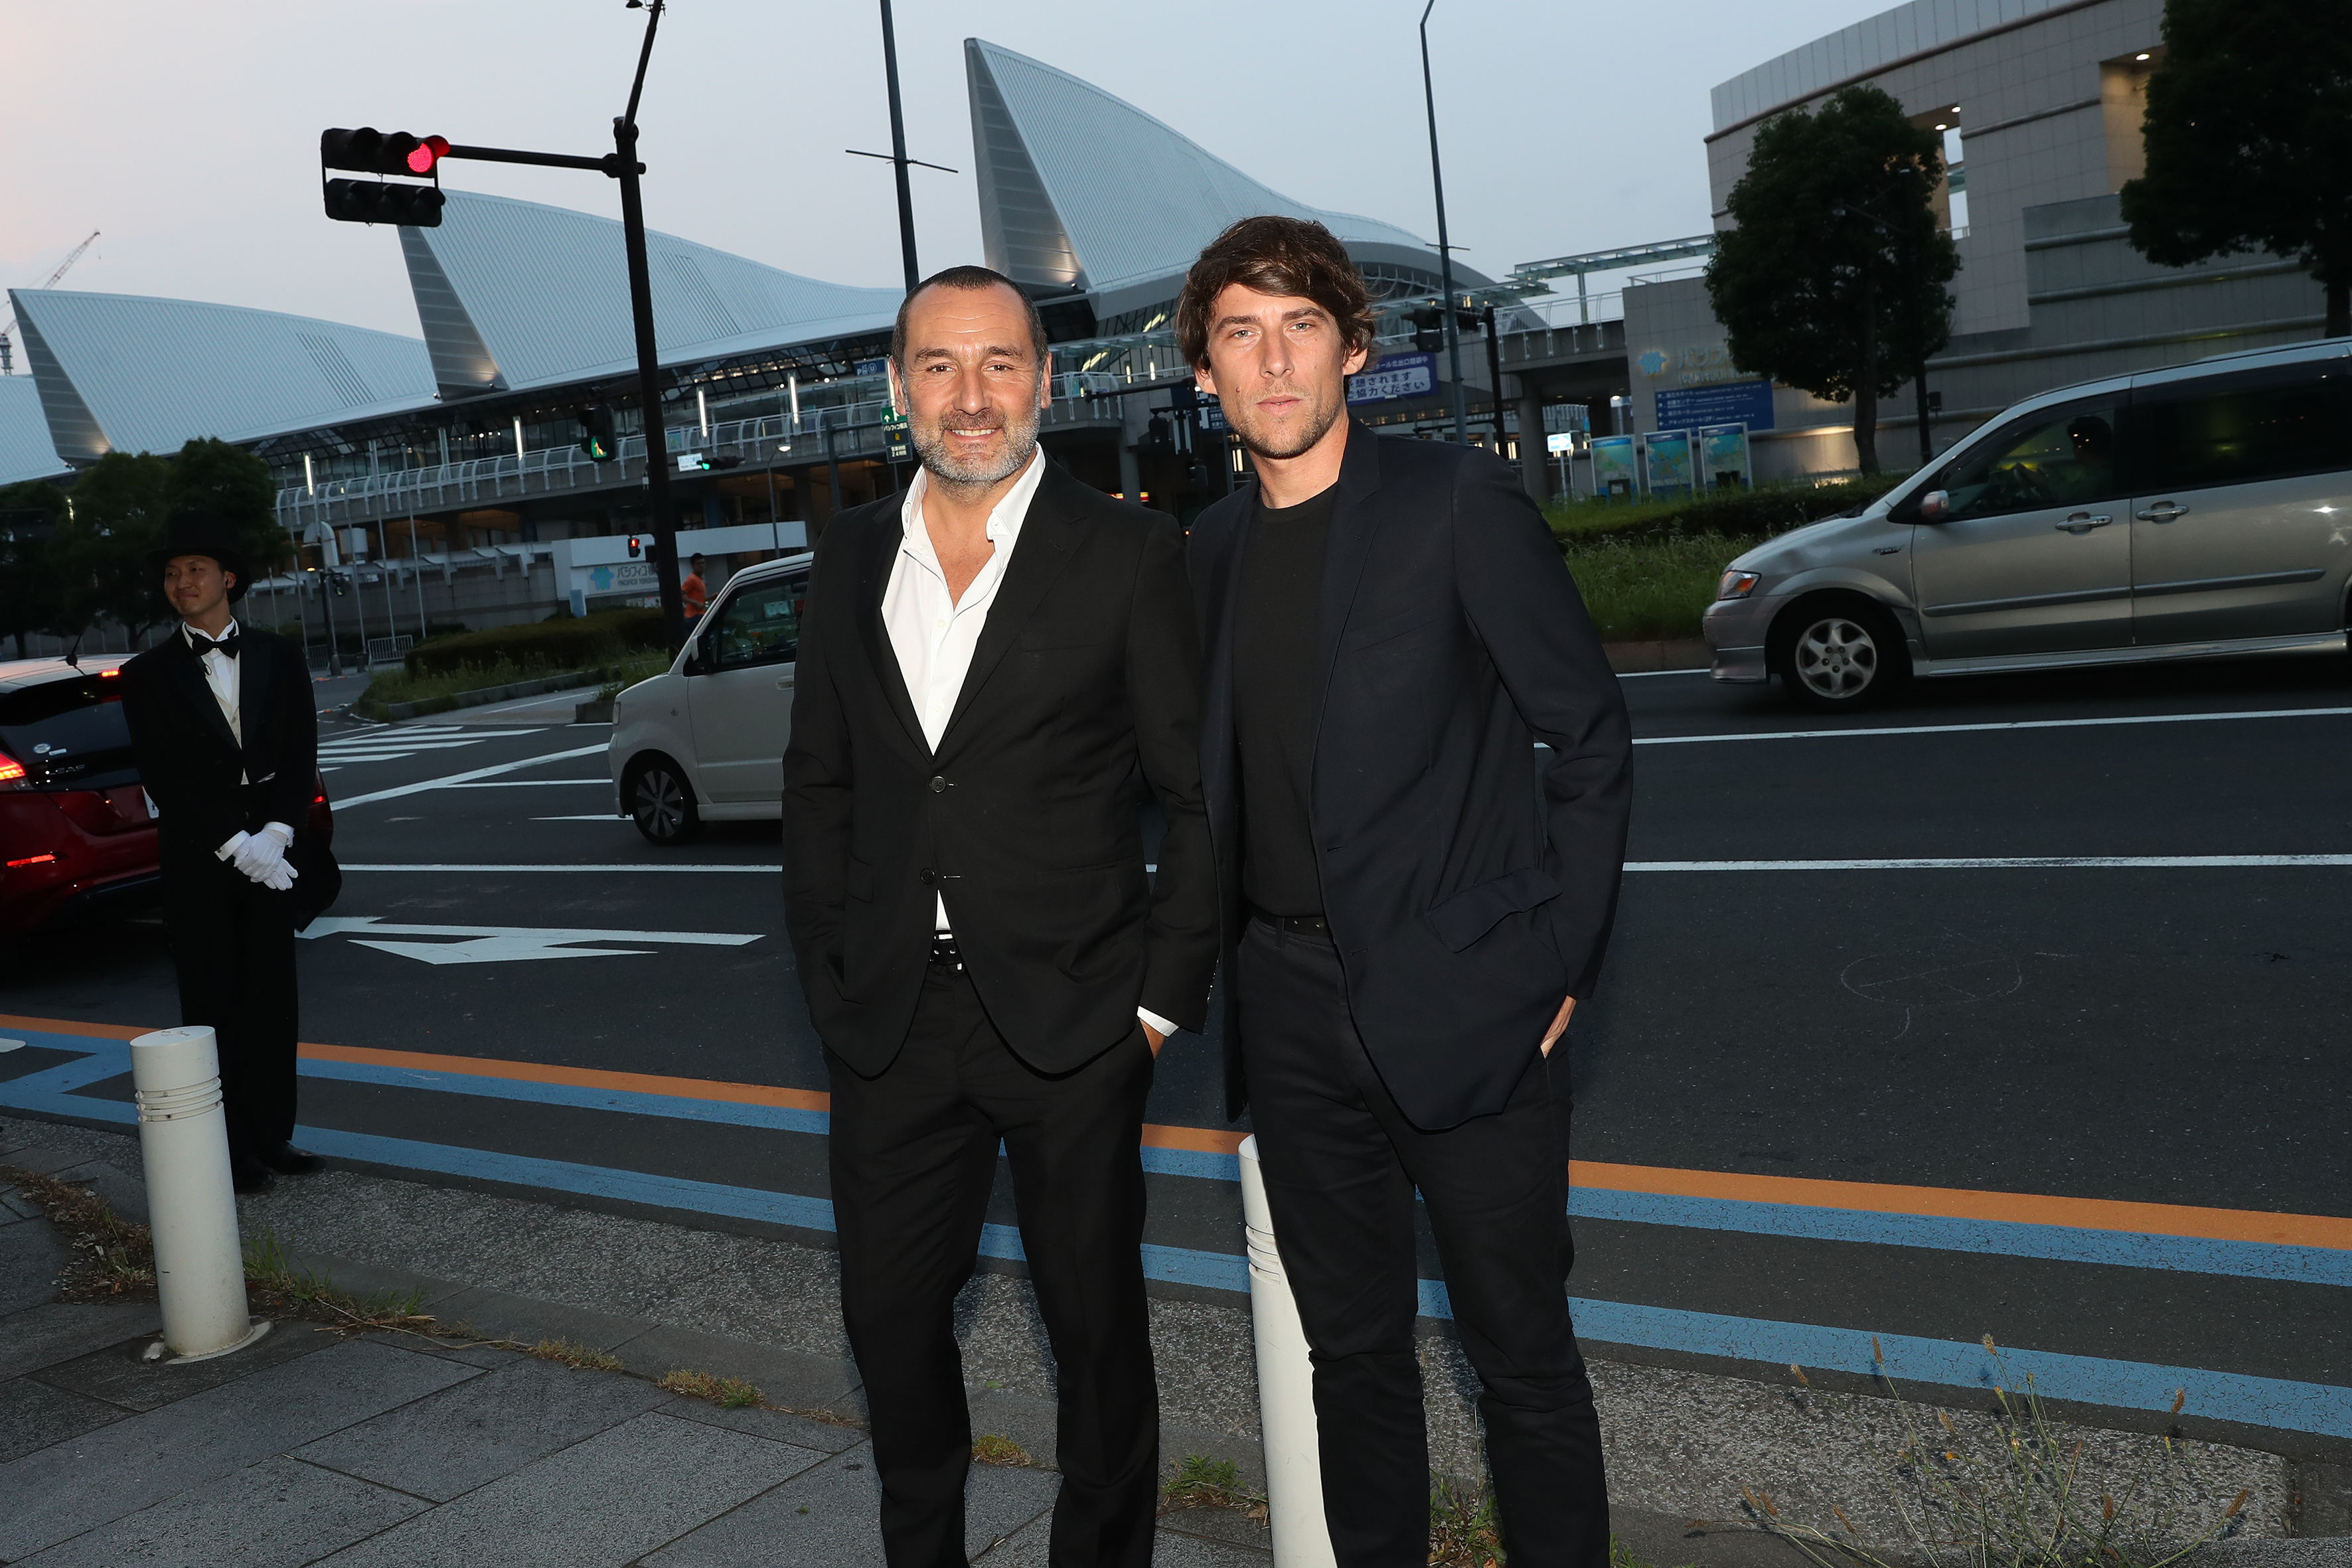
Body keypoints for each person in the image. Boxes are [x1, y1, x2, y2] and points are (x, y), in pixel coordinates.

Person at [1178, 216, 1634, 1568]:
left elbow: (1588, 735)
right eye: (1240, 334)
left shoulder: (1452, 501)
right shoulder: (1203, 552)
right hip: (1288, 1007)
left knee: (1521, 1356)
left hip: (1470, 995)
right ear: (1204, 372)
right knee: (1353, 1359)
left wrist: (1556, 958)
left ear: (1354, 352)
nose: (1272, 361)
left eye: (1300, 327)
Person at [780, 264, 1217, 1568]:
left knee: (1094, 1334)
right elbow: (822, 781)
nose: (969, 397)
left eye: (999, 364)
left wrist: (1151, 1006)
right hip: (892, 1027)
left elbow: (1194, 800)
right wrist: (828, 970)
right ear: (897, 383)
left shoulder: (1132, 551)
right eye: (938, 365)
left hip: (1077, 1020)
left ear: (1041, 376)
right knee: (890, 1324)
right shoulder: (849, 553)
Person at [119, 510, 327, 1195]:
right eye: (174, 574)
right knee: (214, 999)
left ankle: (274, 1134)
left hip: (273, 843)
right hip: (200, 852)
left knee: (274, 994)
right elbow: (164, 774)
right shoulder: (147, 674)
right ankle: (230, 1146)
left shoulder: (279, 654)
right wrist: (233, 842)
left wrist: (276, 832)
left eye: (196, 570)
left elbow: (301, 755)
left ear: (228, 578)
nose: (183, 582)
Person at [681, 554, 710, 620]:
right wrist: (696, 603)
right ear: (692, 565)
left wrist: (711, 598)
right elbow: (681, 595)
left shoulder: (700, 579)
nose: (702, 566)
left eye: (703, 563)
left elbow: (699, 599)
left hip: (701, 614)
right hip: (693, 616)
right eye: (699, 564)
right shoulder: (691, 579)